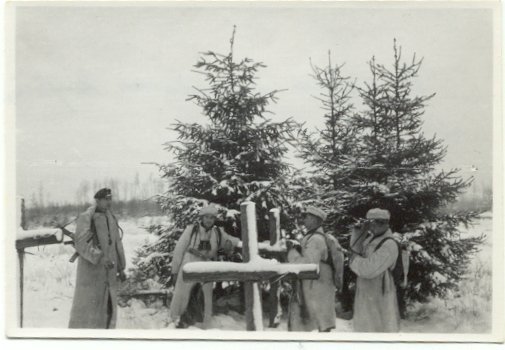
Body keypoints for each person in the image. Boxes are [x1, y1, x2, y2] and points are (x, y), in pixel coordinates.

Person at [168, 205, 240, 329]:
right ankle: (175, 319)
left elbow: (231, 240)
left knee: (206, 297)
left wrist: (230, 243)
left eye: (212, 218)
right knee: (182, 294)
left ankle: (204, 325)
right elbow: (179, 249)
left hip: (207, 267)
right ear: (202, 218)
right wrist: (175, 270)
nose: (209, 220)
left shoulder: (217, 232)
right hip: (189, 265)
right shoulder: (191, 230)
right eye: (206, 217)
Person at [69, 188, 126, 329]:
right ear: (98, 200)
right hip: (91, 273)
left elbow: (117, 243)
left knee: (107, 309)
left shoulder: (111, 217)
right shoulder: (87, 217)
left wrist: (121, 267)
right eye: (106, 199)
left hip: (110, 272)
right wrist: (99, 258)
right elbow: (81, 244)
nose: (109, 202)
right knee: (89, 311)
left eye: (110, 199)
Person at [349, 208, 401, 332]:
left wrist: (353, 259)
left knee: (379, 327)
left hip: (379, 290)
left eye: (375, 223)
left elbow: (368, 270)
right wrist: (358, 233)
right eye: (369, 223)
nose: (371, 227)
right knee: (365, 325)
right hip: (367, 290)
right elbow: (355, 250)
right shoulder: (370, 239)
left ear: (385, 224)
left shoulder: (389, 244)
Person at [287, 206, 336, 332]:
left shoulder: (316, 239)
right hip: (316, 285)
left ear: (315, 220)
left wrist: (292, 252)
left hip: (316, 286)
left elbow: (308, 264)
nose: (304, 220)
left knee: (318, 324)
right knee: (318, 323)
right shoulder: (312, 237)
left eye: (307, 217)